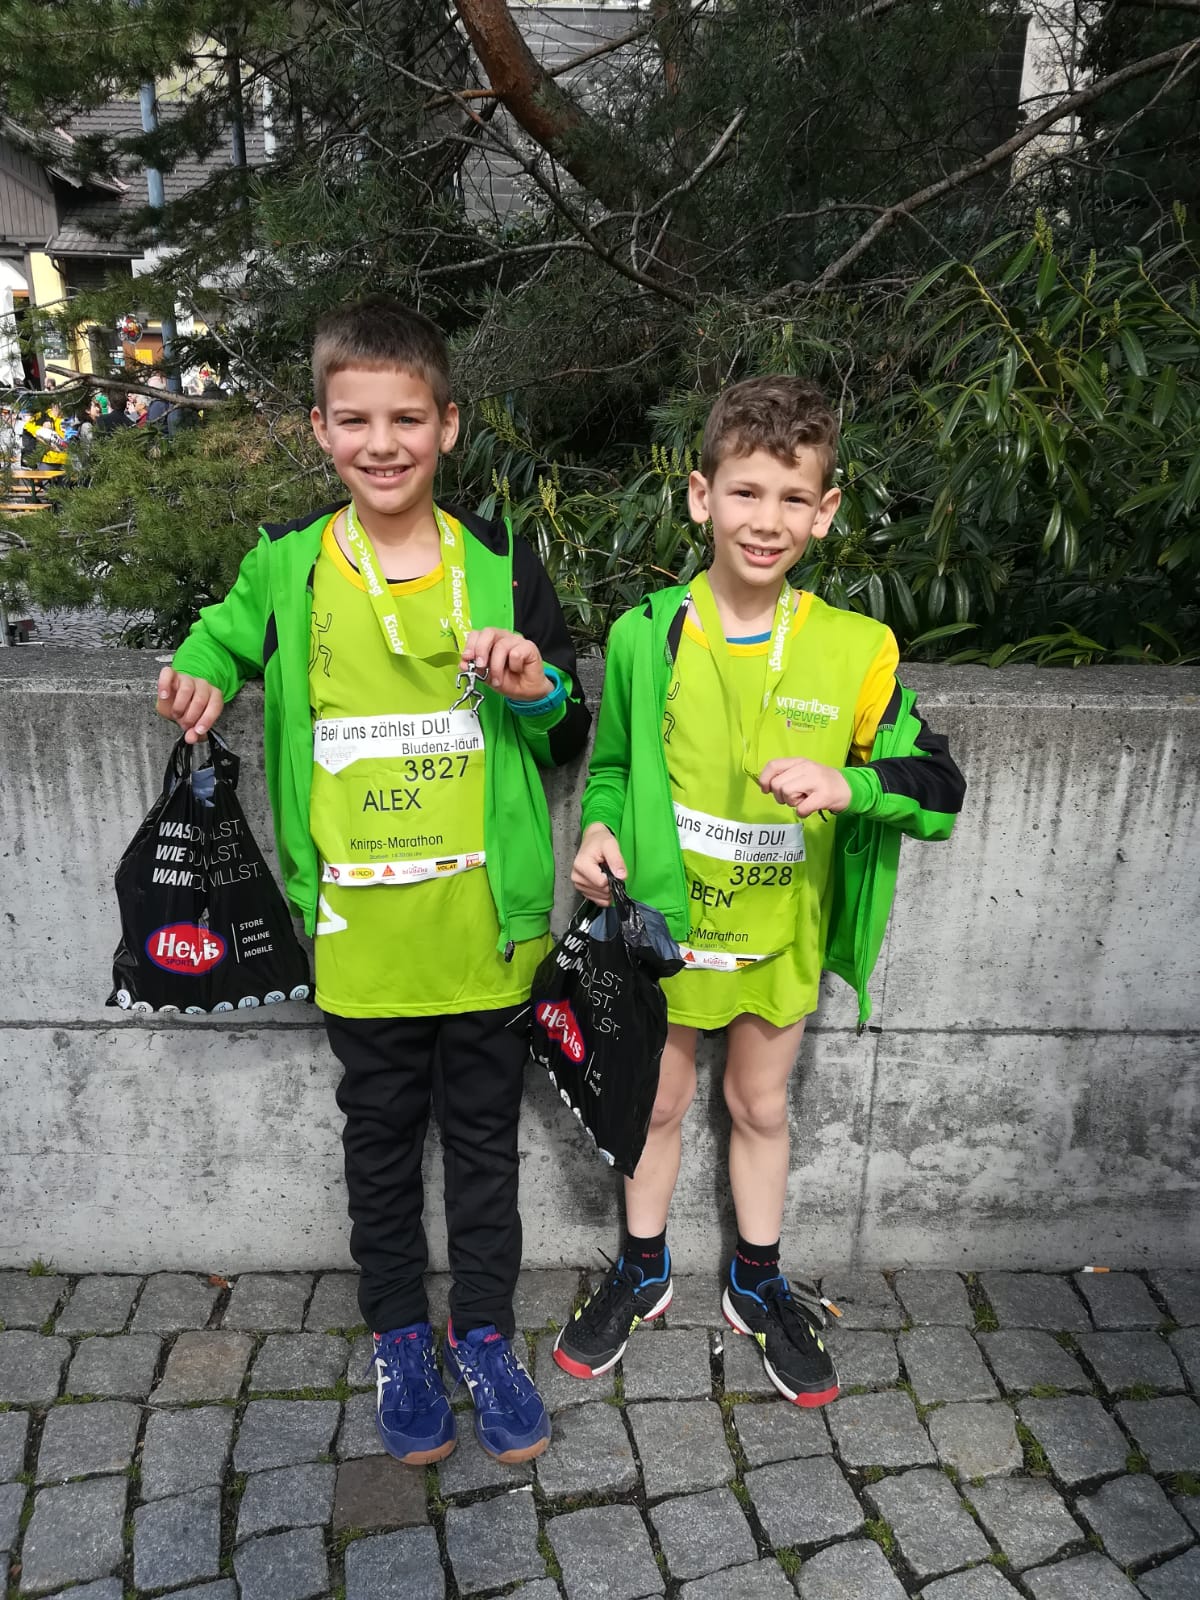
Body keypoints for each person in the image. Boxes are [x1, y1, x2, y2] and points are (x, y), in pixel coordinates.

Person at [153, 295, 590, 1466]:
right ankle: (400, 1334)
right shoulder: (288, 565)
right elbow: (220, 636)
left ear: (448, 424)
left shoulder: (501, 562)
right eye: (355, 420)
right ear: (320, 428)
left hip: (484, 932)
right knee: (380, 1148)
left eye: (406, 419)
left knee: (484, 1148)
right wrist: (198, 670)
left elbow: (562, 727)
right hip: (357, 936)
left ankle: (483, 1334)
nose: (382, 443)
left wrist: (533, 686)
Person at [552, 375, 965, 1407]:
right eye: (745, 492)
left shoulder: (857, 649)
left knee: (759, 1104)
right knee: (656, 1104)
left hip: (778, 937)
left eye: (792, 497)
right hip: (663, 937)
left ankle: (757, 1278)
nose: (766, 519)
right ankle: (642, 1269)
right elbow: (612, 768)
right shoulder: (645, 633)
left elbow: (938, 786)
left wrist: (851, 783)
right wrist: (599, 826)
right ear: (702, 496)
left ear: (825, 511)